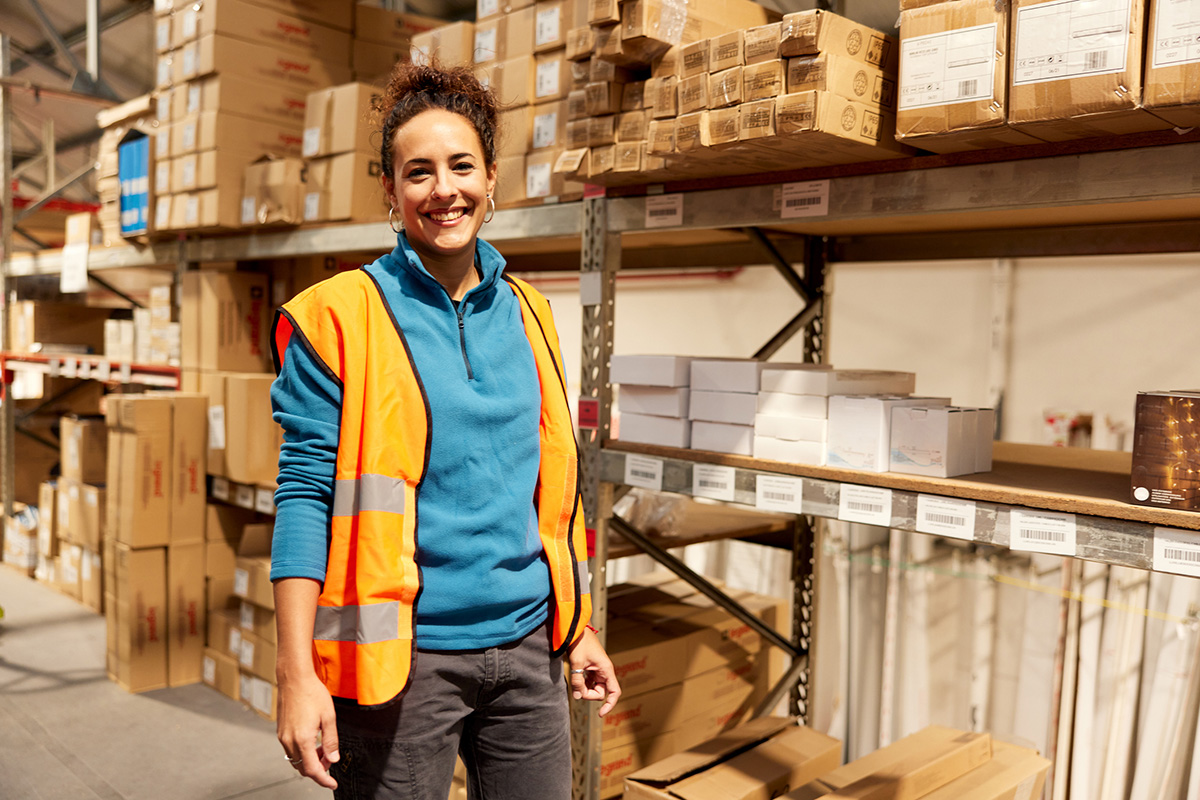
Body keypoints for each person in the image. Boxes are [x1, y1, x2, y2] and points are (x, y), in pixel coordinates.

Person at [268, 62, 621, 799]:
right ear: (393, 193)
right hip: (402, 660)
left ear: (492, 178)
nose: (443, 189)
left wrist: (576, 626)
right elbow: (304, 496)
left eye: (462, 165)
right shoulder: (336, 316)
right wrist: (295, 674)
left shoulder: (530, 312)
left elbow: (550, 490)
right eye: (417, 172)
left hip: (527, 654)